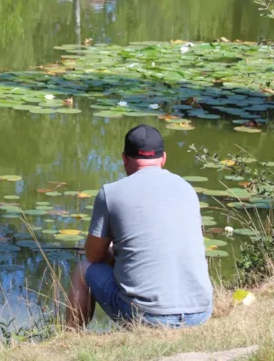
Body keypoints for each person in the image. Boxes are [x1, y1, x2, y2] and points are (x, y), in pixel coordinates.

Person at [67, 124, 213, 329]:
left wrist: (112, 252)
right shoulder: (186, 188)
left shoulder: (111, 193)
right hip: (200, 312)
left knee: (84, 269)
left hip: (147, 317)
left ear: (124, 159)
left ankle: (70, 337)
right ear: (163, 158)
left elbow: (94, 256)